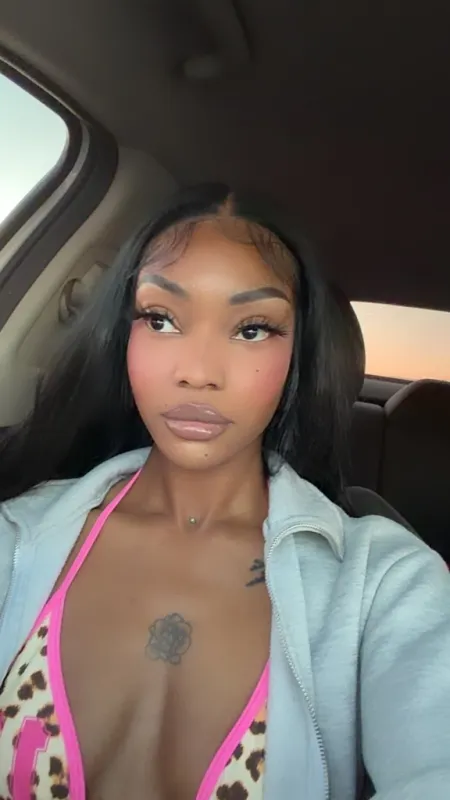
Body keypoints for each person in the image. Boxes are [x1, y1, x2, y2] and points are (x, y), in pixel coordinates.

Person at [0, 183, 449, 800]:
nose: (198, 372)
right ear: (123, 333)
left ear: (298, 356)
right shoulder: (17, 537)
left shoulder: (383, 586)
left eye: (252, 329)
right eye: (161, 319)